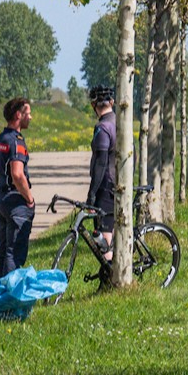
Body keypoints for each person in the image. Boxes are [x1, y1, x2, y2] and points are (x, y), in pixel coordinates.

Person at [0, 96, 35, 281]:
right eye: (28, 114)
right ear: (18, 115)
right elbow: (18, 174)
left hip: (1, 200)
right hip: (15, 202)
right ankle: (10, 299)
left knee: (2, 251)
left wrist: (0, 181)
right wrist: (29, 199)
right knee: (14, 254)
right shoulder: (17, 141)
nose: (31, 117)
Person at [86, 86, 119, 272]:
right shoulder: (120, 124)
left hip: (106, 186)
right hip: (119, 183)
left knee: (104, 237)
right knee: (113, 234)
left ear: (93, 105)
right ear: (112, 103)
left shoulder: (102, 128)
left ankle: (109, 277)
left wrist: (91, 194)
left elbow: (100, 163)